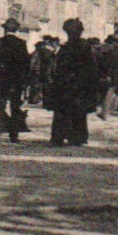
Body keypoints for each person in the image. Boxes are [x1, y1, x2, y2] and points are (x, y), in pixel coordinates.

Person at [48, 18, 101, 146]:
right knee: (78, 112)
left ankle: (59, 136)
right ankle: (77, 137)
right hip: (80, 85)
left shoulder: (65, 48)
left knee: (62, 112)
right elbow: (92, 69)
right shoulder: (85, 48)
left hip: (65, 85)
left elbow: (59, 68)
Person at [0, 18, 31, 143]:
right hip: (16, 81)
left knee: (0, 107)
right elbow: (26, 63)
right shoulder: (21, 43)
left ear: (5, 29)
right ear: (16, 30)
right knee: (15, 108)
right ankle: (14, 135)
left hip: (0, 81)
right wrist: (24, 80)